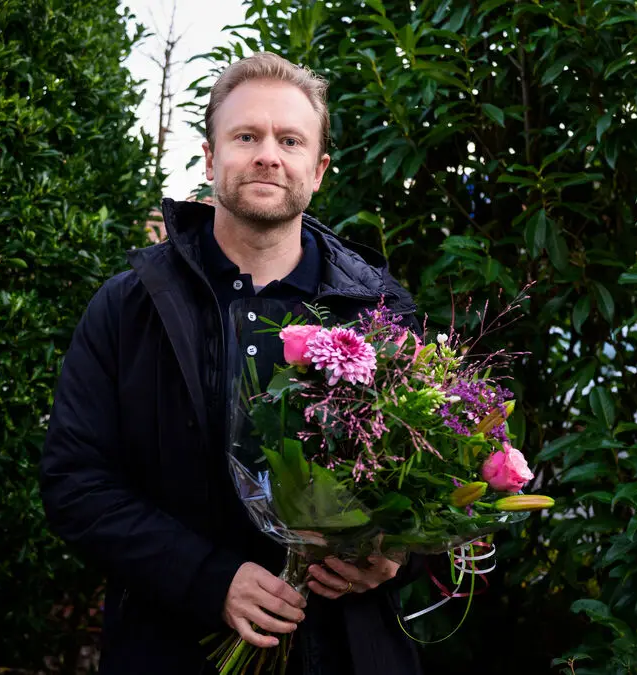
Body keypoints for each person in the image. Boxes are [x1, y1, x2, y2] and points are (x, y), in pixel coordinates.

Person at [38, 52, 424, 675]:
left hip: (345, 652)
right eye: (246, 136)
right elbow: (75, 483)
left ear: (318, 169)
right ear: (212, 157)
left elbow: (428, 479)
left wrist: (399, 554)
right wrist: (208, 579)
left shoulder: (379, 313)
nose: (268, 154)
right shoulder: (128, 306)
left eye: (290, 139)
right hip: (170, 648)